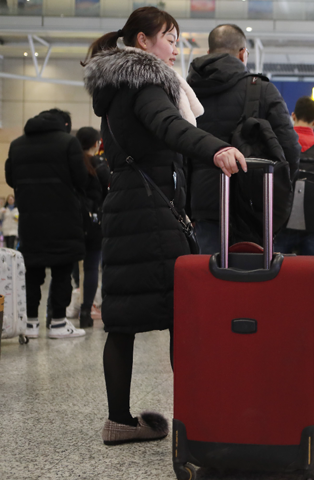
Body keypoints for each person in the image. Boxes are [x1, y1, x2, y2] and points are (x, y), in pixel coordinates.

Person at [83, 6, 246, 445]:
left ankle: (119, 420)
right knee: (183, 314)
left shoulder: (115, 89)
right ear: (142, 41)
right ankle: (198, 416)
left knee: (121, 320)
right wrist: (216, 149)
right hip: (152, 214)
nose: (176, 47)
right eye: (169, 38)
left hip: (125, 206)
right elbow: (170, 126)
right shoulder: (146, 81)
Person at [187, 23, 300, 254]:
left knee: (209, 279)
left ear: (209, 53)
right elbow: (290, 150)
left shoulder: (187, 91)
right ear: (242, 54)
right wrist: (276, 193)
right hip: (253, 204)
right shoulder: (261, 90)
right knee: (251, 282)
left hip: (204, 205)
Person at [5, 108, 87, 339]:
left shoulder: (17, 144)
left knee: (32, 273)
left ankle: (30, 323)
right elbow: (80, 178)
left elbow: (11, 178)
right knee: (62, 270)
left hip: (30, 218)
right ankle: (59, 323)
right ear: (64, 124)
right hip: (64, 218)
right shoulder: (68, 142)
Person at [274, 96, 314, 256]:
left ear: (293, 116)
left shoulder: (279, 143)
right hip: (313, 222)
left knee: (276, 270)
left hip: (281, 220)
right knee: (311, 273)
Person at [75, 127, 109, 328]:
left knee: (65, 266)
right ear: (96, 144)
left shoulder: (72, 164)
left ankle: (54, 311)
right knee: (92, 267)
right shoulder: (101, 166)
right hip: (95, 224)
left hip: (74, 223)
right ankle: (86, 312)